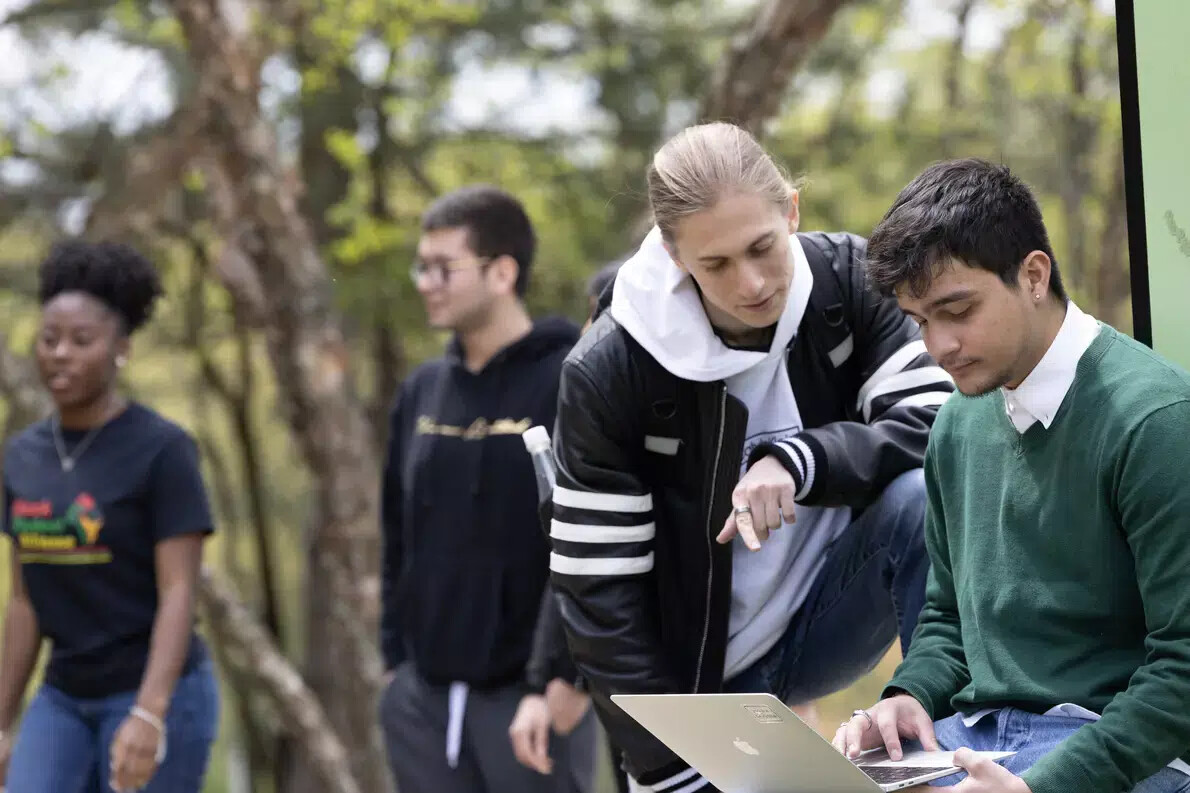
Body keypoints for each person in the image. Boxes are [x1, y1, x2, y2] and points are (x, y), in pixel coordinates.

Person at [548, 121, 954, 792]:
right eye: (716, 264)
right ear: (676, 257)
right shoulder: (609, 369)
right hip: (700, 686)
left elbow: (942, 424)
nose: (752, 281)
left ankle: (946, 751)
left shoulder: (851, 279)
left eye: (763, 246)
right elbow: (598, 596)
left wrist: (802, 460)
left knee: (920, 495)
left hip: (820, 622)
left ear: (790, 210)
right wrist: (664, 763)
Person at [832, 158, 1190, 793]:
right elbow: (947, 616)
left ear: (1032, 275)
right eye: (919, 321)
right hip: (979, 736)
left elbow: (1184, 673)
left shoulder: (1155, 422)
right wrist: (909, 695)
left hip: (1118, 752)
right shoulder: (956, 424)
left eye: (957, 310)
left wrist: (1041, 789)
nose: (938, 346)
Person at [378, 184, 597, 793]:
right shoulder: (421, 391)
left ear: (502, 272)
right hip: (421, 701)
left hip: (531, 704)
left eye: (443, 267)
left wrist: (561, 678)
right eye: (422, 267)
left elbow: (595, 542)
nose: (426, 281)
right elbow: (396, 535)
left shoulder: (573, 379)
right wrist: (394, 664)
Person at [0, 240, 220, 792]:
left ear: (120, 348)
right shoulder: (22, 458)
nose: (60, 354)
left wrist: (149, 714)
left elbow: (178, 592)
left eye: (81, 341)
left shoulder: (161, 450)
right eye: (49, 340)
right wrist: (2, 720)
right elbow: (25, 601)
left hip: (152, 688)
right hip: (64, 695)